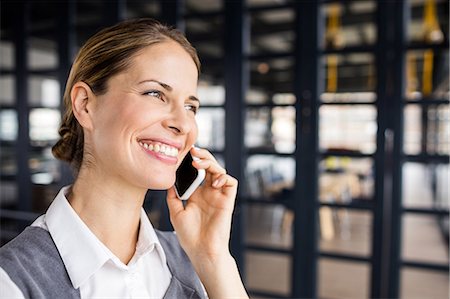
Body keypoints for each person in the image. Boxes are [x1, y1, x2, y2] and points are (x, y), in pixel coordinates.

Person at [0, 18, 248, 299]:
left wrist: (213, 258)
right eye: (155, 93)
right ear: (85, 105)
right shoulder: (11, 282)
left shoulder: (194, 263)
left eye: (190, 106)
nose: (184, 124)